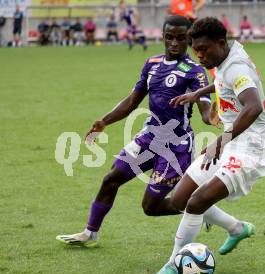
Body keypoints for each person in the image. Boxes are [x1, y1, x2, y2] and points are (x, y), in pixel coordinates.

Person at [56, 15, 230, 248]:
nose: (174, 43)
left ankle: (201, 208)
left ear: (188, 40)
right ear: (163, 37)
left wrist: (212, 117)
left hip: (176, 146)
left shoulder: (195, 71)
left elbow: (204, 109)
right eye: (169, 38)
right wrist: (104, 121)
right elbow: (132, 102)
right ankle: (90, 233)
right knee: (111, 179)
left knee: (151, 207)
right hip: (149, 138)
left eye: (180, 38)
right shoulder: (152, 64)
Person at [151, 17, 265, 274]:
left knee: (196, 202)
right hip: (231, 140)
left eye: (204, 50)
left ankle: (173, 264)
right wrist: (199, 94)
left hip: (249, 147)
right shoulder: (226, 56)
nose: (199, 55)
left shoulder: (236, 68)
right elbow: (221, 79)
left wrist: (221, 141)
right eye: (196, 50)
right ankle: (237, 228)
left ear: (220, 43)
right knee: (181, 198)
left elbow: (253, 106)